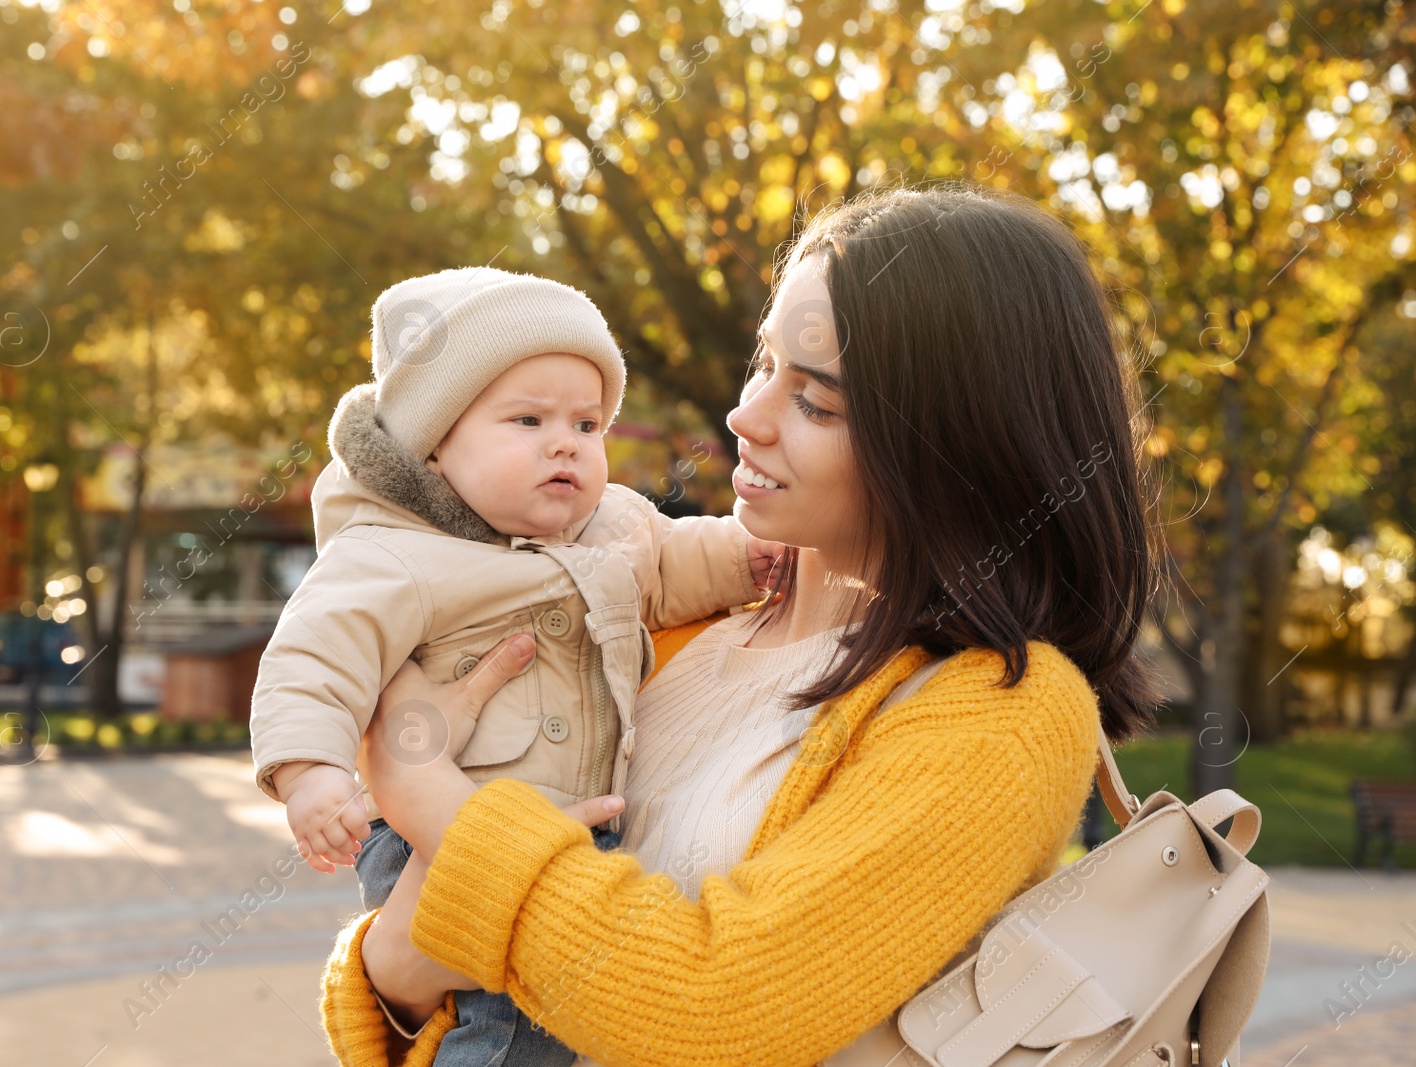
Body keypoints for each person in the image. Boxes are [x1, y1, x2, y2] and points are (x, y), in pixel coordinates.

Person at [323, 183, 1159, 1067]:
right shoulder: (661, 620)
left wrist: (434, 804)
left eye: (818, 403)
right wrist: (393, 969)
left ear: (958, 443)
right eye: (765, 365)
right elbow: (437, 981)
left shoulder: (1002, 712)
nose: (744, 417)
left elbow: (714, 1008)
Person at [250, 267, 783, 1067]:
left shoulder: (612, 526)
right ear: (434, 446)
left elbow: (674, 564)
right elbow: (312, 657)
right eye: (527, 419)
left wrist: (753, 559)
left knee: (559, 1018)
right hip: (436, 841)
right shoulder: (390, 553)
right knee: (510, 1029)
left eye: (588, 422)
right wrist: (310, 773)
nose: (564, 442)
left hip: (563, 841)